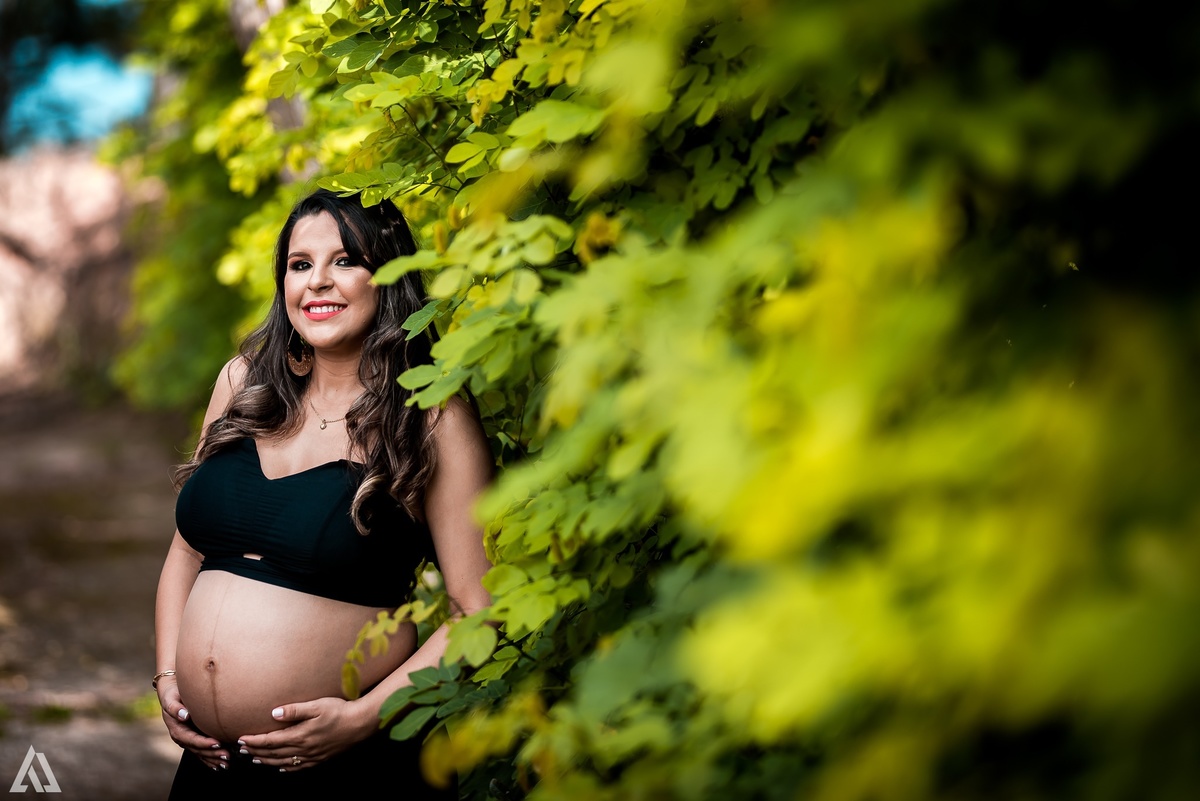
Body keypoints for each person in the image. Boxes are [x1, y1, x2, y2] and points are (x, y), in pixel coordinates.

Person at [152, 188, 493, 799]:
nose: (318, 283)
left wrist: (364, 718)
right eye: (300, 264)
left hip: (349, 767)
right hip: (214, 769)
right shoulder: (243, 384)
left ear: (388, 277)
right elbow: (185, 552)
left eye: (345, 261)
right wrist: (169, 674)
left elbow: (479, 608)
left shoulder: (430, 417)